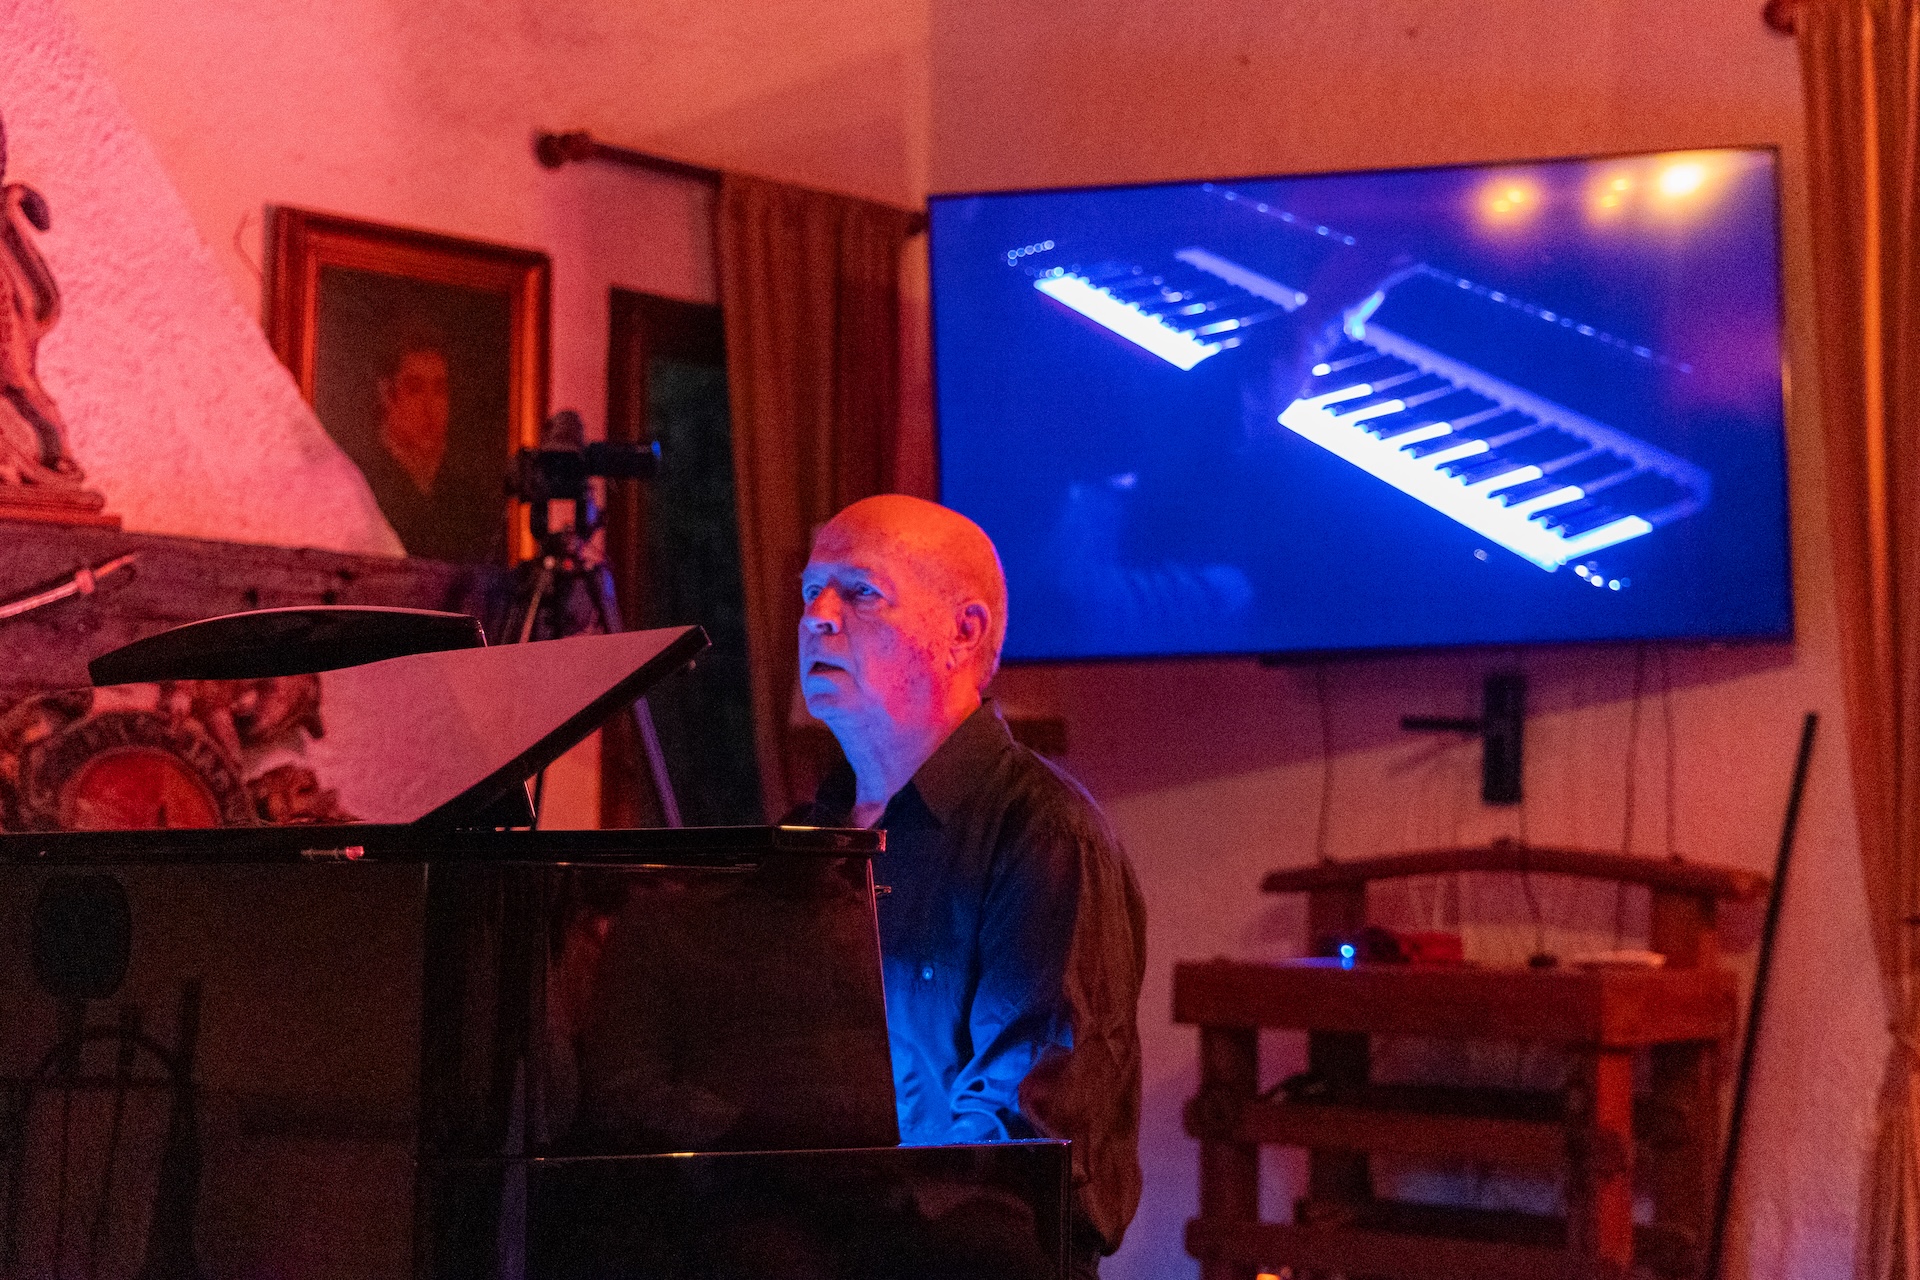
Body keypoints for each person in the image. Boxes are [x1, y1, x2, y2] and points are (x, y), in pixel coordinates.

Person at [790, 494, 1147, 1276]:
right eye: (810, 591)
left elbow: (1018, 1137)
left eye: (859, 592)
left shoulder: (1044, 835)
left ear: (964, 632)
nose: (817, 616)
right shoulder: (804, 841)